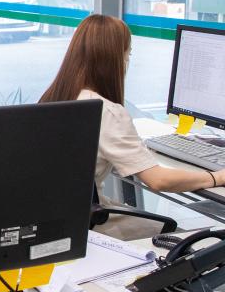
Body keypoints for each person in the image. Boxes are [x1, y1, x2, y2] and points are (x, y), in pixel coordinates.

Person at [40, 14, 225, 193]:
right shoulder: (105, 111)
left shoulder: (57, 95)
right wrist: (217, 177)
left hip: (57, 216)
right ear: (115, 60)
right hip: (90, 219)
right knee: (169, 225)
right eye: (128, 54)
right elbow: (158, 180)